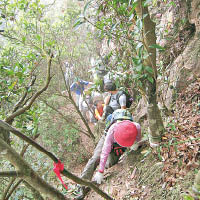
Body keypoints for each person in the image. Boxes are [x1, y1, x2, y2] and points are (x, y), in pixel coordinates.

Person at [74, 109, 142, 200]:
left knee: (110, 163)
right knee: (95, 158)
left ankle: (95, 179)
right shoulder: (112, 130)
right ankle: (81, 184)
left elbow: (138, 139)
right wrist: (100, 171)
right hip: (108, 138)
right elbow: (105, 151)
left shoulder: (136, 127)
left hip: (124, 140)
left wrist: (135, 144)